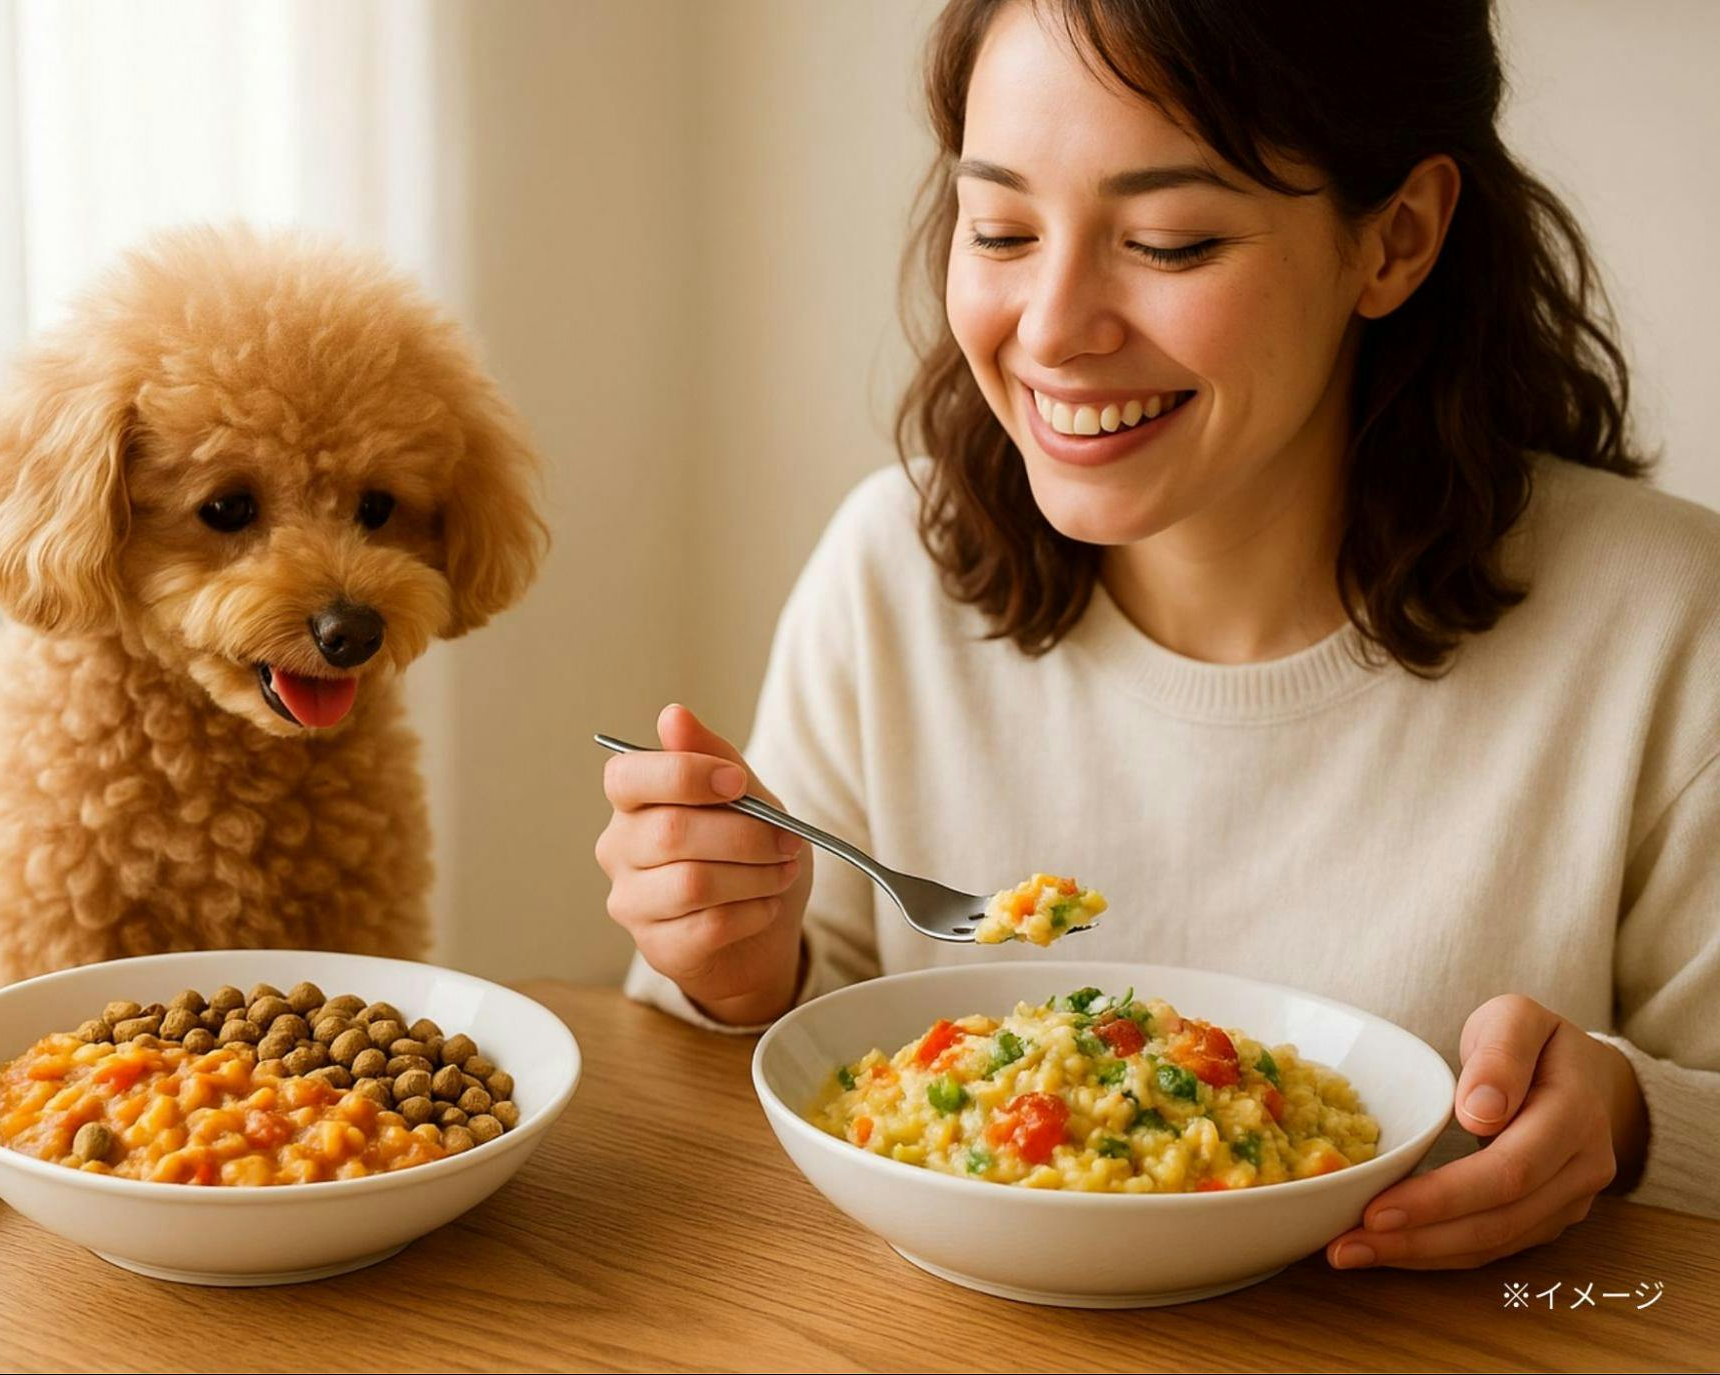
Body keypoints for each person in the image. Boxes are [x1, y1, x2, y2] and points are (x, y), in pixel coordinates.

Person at [594, 0, 1720, 1268]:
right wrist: (736, 967)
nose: (1057, 328)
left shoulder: (1667, 625)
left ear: (1394, 239)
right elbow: (797, 1053)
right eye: (1001, 229)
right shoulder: (890, 573)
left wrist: (1626, 1119)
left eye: (1169, 242)